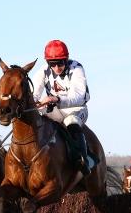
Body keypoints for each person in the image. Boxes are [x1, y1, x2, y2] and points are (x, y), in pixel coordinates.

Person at [31, 40, 91, 175]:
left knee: (71, 121)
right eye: (52, 64)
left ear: (66, 59)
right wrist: (34, 103)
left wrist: (57, 99)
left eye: (61, 63)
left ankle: (82, 160)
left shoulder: (76, 68)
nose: (57, 67)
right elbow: (33, 94)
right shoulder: (43, 71)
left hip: (76, 109)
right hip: (55, 110)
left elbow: (79, 96)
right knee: (35, 119)